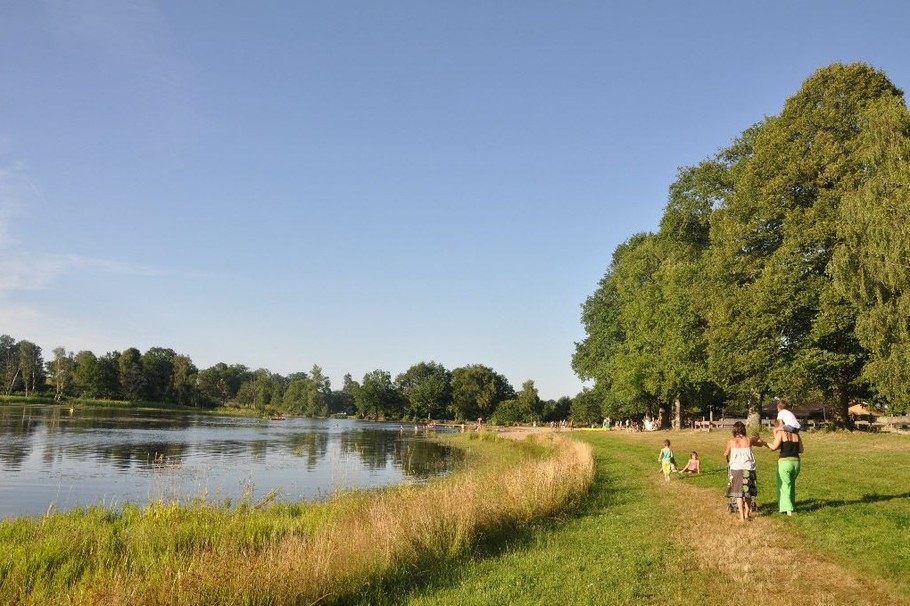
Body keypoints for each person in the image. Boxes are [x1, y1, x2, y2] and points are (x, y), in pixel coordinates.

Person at [724, 421, 764, 522]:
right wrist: (758, 437)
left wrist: (729, 460)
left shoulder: (731, 442)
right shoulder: (749, 440)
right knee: (748, 492)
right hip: (748, 468)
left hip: (736, 469)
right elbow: (760, 444)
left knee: (738, 494)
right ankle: (747, 514)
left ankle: (741, 516)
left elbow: (726, 453)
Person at [765, 425, 804, 516]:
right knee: (791, 485)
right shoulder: (796, 434)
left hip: (785, 463)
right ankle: (792, 506)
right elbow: (801, 450)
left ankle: (788, 509)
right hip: (796, 463)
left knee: (784, 486)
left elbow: (774, 447)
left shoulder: (781, 433)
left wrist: (764, 443)